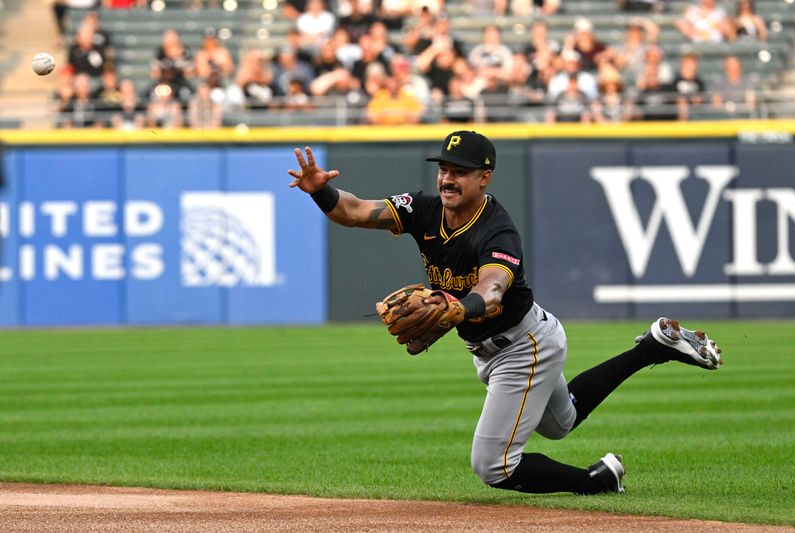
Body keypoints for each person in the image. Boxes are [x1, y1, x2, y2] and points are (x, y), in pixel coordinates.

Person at [287, 131, 723, 495]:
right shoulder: (423, 209)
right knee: (561, 421)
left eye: (460, 171)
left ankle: (596, 482)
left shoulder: (497, 229)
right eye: (443, 168)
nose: (447, 178)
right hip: (498, 345)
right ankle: (651, 347)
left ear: (485, 177)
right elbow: (357, 210)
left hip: (523, 344)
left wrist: (459, 305)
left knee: (493, 465)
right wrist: (320, 190)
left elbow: (492, 290)